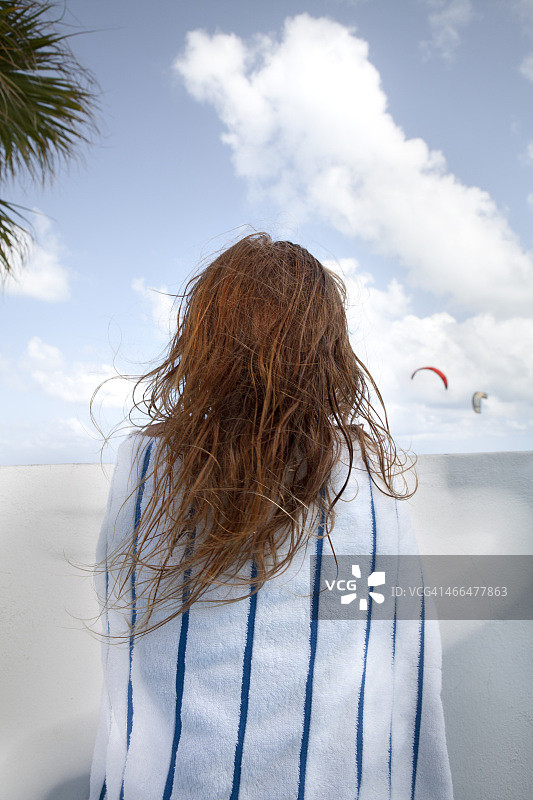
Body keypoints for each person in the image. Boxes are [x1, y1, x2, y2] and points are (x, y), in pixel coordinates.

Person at [88, 232, 454, 800]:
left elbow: (120, 601)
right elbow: (398, 637)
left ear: (204, 341)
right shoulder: (360, 477)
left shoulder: (145, 466)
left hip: (170, 782)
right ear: (329, 351)